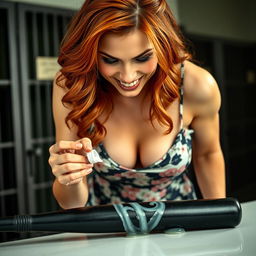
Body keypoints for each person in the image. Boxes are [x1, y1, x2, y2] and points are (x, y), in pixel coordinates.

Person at [48, 0, 226, 209]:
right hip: (106, 227)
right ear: (92, 54)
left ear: (163, 46)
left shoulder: (197, 86)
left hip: (180, 224)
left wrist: (220, 215)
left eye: (143, 58)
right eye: (110, 60)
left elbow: (207, 155)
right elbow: (71, 204)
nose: (128, 76)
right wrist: (70, 176)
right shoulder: (72, 85)